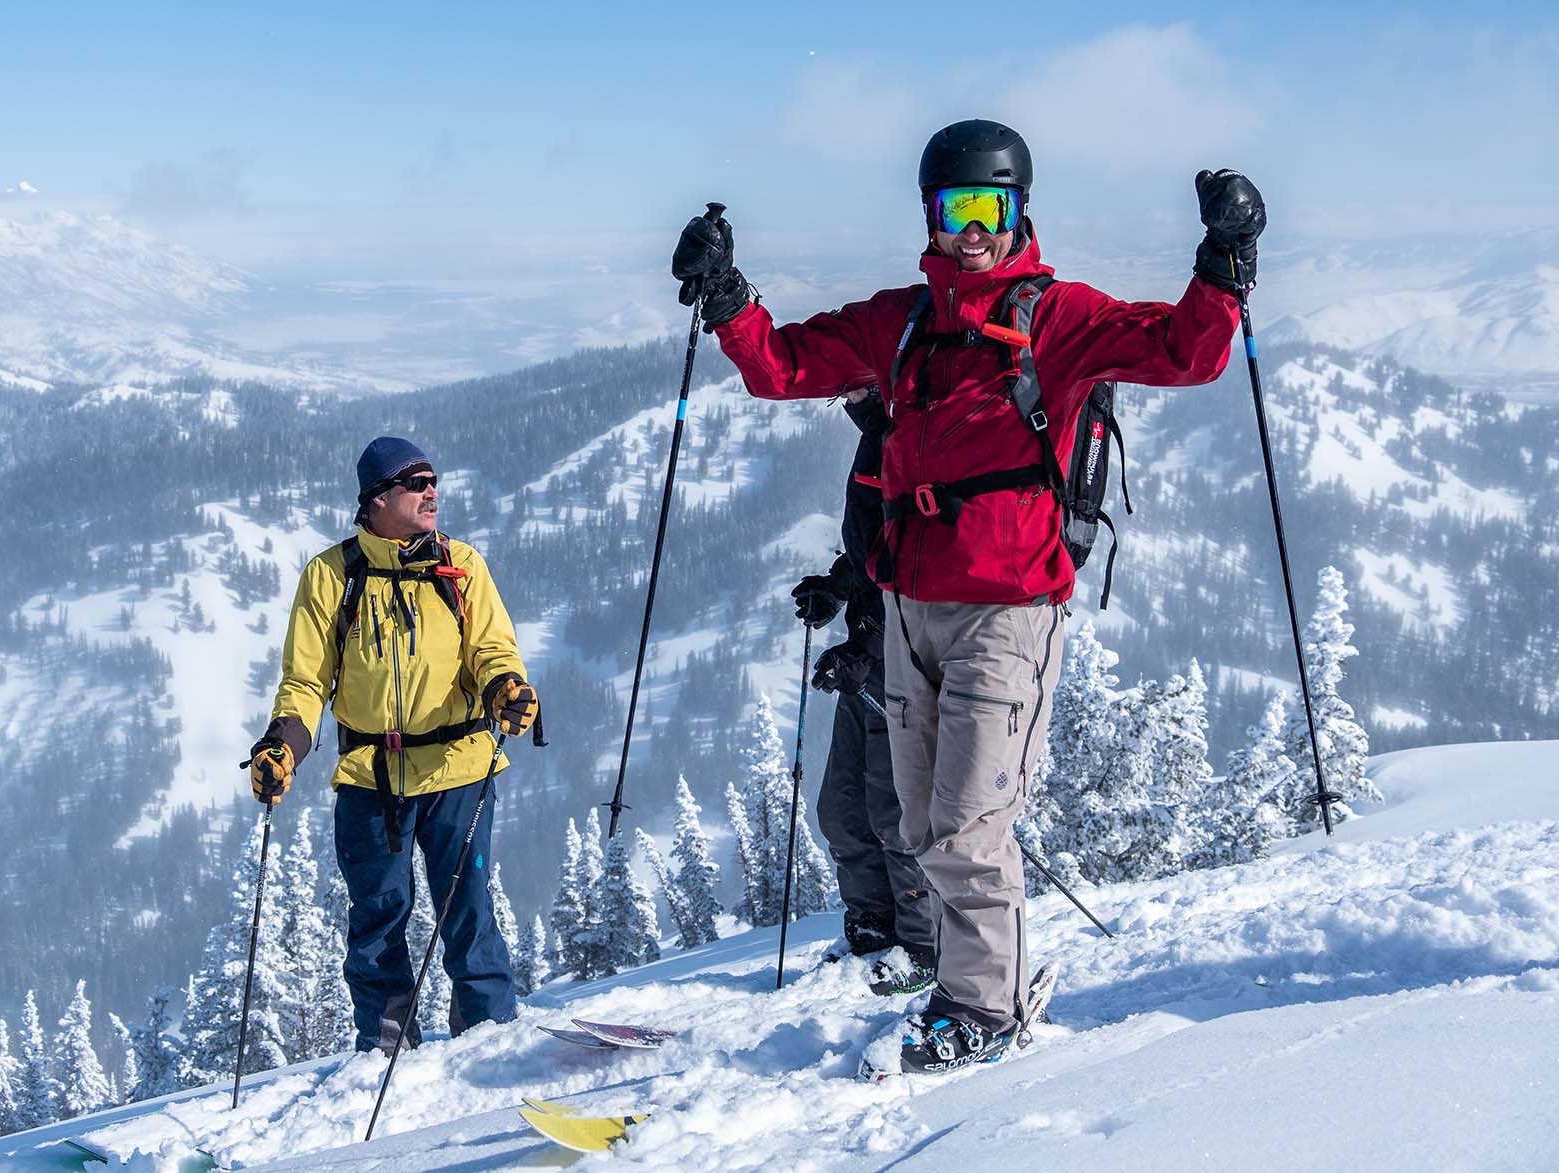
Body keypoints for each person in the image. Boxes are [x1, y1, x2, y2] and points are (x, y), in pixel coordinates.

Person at [673, 119, 1263, 1070]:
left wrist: (1223, 262)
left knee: (966, 828)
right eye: (956, 210)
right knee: (916, 821)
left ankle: (984, 1009)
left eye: (990, 207)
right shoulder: (902, 322)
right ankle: (961, 983)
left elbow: (1184, 353)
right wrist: (726, 296)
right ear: (932, 217)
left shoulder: (1056, 318)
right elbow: (781, 366)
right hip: (908, 612)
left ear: (1019, 210)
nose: (972, 229)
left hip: (1008, 612)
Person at [246, 436, 539, 1053]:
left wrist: (504, 689)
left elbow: (492, 648)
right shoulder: (332, 575)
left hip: (460, 767)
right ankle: (386, 1048)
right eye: (416, 484)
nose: (431, 492)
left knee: (469, 907)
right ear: (377, 500)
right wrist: (283, 745)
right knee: (379, 916)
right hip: (370, 779)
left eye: (434, 481)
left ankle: (490, 1037)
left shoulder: (462, 567)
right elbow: (305, 680)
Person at [793, 384, 939, 997]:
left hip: (908, 658)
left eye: (855, 387)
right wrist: (835, 588)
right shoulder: (877, 441)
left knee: (894, 812)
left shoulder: (921, 438)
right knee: (842, 809)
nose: (845, 398)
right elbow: (870, 549)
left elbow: (920, 559)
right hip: (869, 657)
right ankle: (872, 927)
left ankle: (924, 946)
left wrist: (866, 645)